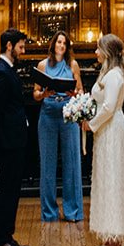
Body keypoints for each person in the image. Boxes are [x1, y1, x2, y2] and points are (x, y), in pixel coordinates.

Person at [84, 33, 124, 246]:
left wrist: (90, 124)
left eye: (98, 49)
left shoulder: (114, 76)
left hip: (111, 128)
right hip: (106, 129)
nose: (95, 53)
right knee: (106, 179)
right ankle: (111, 237)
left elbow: (109, 107)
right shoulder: (108, 73)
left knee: (112, 179)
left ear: (107, 52)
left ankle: (115, 239)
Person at [0, 28, 31, 246]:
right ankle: (0, 242)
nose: (23, 51)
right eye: (20, 47)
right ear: (9, 46)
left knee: (13, 191)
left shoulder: (8, 69)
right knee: (6, 191)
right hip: (7, 140)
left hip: (15, 139)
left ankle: (8, 236)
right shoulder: (1, 71)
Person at [33, 29, 83, 222]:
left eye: (65, 43)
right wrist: (44, 94)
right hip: (47, 116)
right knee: (47, 164)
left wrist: (75, 93)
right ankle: (49, 212)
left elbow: (80, 90)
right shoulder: (42, 65)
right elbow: (35, 94)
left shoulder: (73, 65)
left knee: (71, 162)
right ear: (53, 44)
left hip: (68, 116)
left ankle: (73, 212)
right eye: (59, 42)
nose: (61, 45)